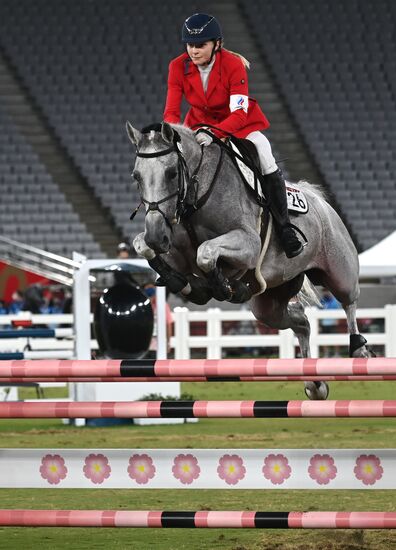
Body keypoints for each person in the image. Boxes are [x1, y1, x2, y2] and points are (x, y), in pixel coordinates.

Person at [163, 13, 304, 258]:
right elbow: (172, 110)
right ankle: (171, 236)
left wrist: (215, 132)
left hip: (237, 123)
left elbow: (239, 113)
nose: (193, 51)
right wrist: (172, 135)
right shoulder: (177, 66)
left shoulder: (233, 64)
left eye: (200, 45)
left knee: (264, 152)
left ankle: (285, 228)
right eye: (189, 45)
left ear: (216, 44)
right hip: (197, 124)